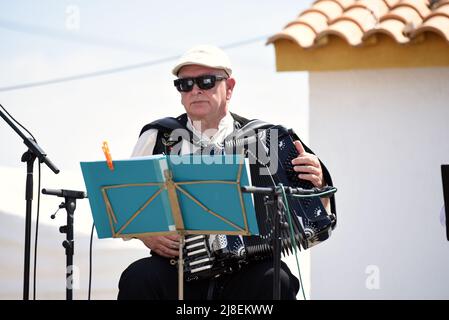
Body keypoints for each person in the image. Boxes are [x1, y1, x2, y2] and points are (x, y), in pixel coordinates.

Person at [117, 45, 335, 300]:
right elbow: (124, 205)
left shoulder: (266, 138)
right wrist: (147, 235)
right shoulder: (158, 137)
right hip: (178, 269)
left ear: (229, 87)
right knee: (138, 277)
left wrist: (317, 182)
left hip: (248, 272)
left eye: (206, 81)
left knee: (278, 279)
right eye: (185, 84)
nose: (195, 90)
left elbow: (313, 215)